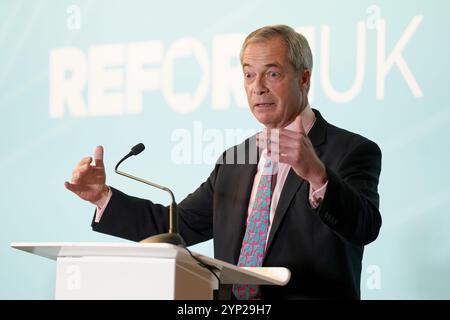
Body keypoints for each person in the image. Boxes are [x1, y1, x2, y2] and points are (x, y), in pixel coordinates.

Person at [65, 25, 382, 299]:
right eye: (249, 74)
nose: (258, 87)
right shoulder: (234, 160)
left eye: (272, 73)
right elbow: (176, 227)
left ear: (304, 79)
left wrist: (317, 174)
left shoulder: (351, 151)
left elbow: (365, 227)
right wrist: (102, 197)